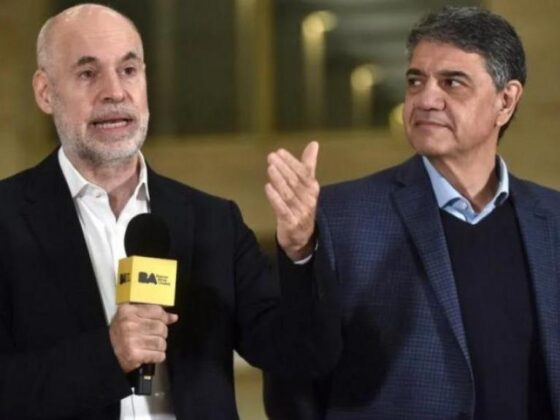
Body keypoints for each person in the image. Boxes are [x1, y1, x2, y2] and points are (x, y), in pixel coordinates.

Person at [0, 4, 340, 419]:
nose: (114, 92)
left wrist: (301, 252)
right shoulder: (8, 220)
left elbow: (298, 355)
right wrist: (107, 355)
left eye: (128, 70)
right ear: (45, 92)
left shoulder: (213, 222)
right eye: (88, 74)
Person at [264, 6, 559, 419]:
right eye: (415, 81)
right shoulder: (340, 218)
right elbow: (293, 385)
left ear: (505, 101)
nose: (425, 99)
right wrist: (298, 253)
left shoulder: (553, 221)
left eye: (452, 82)